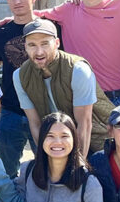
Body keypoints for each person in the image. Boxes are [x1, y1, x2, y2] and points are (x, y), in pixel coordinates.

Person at [13, 19, 113, 157]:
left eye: (45, 43)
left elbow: (84, 124)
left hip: (96, 141)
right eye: (32, 45)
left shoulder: (77, 69)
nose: (39, 51)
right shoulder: (20, 76)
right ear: (25, 46)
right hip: (56, 143)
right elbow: (35, 123)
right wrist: (45, 159)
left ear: (57, 43)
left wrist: (79, 165)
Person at [0, 0, 54, 178]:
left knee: (48, 166)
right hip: (11, 110)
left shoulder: (50, 29)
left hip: (45, 109)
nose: (17, 2)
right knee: (6, 170)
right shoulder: (0, 34)